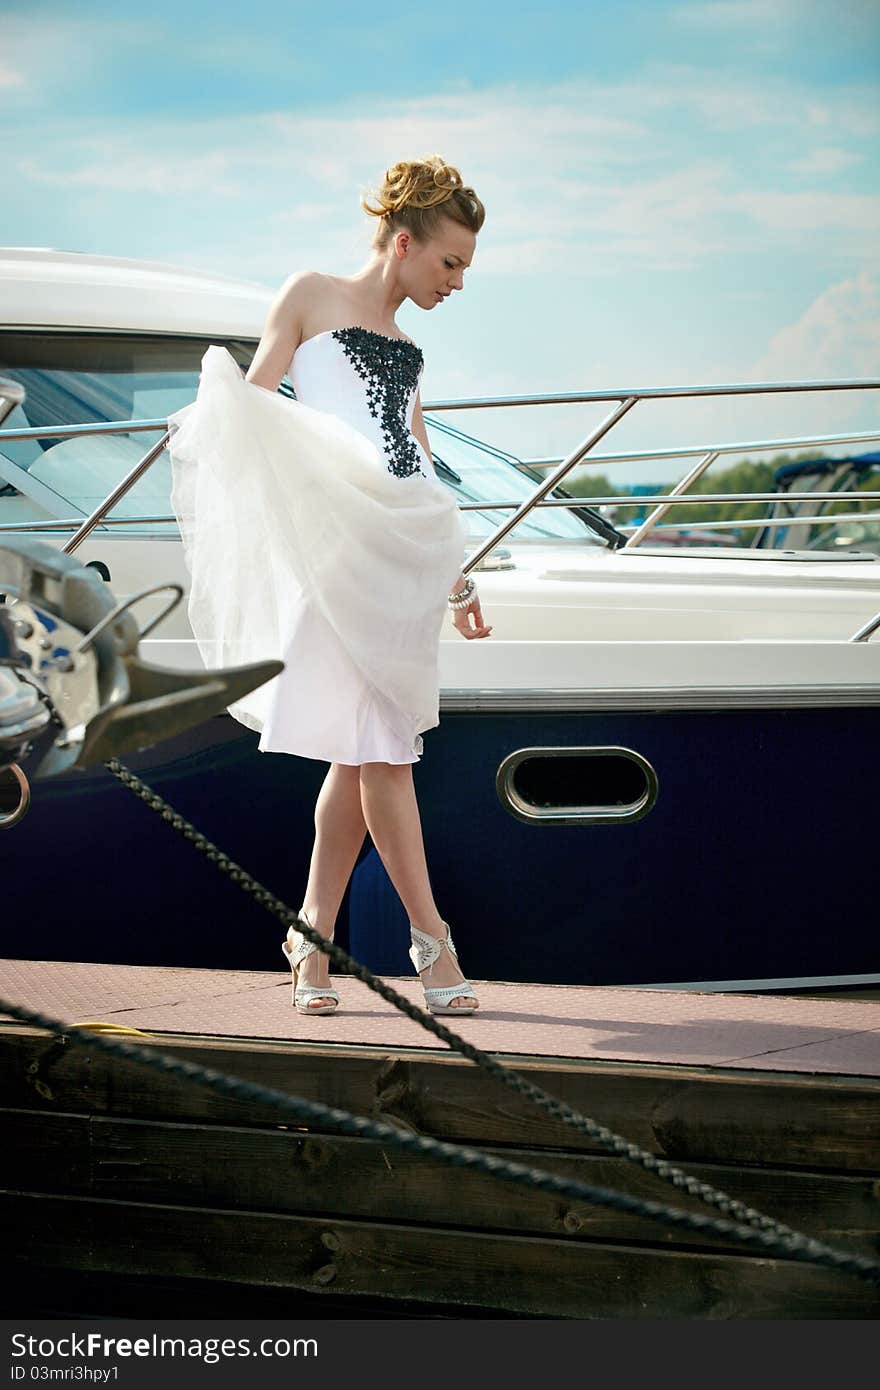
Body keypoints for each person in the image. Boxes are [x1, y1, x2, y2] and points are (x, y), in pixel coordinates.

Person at [167, 156, 489, 1017]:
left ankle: (309, 941)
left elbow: (419, 464)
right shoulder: (309, 293)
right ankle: (434, 943)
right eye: (451, 262)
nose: (458, 281)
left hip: (400, 556)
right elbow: (257, 405)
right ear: (406, 242)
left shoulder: (412, 352)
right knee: (385, 750)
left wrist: (456, 580)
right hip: (335, 553)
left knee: (359, 756)